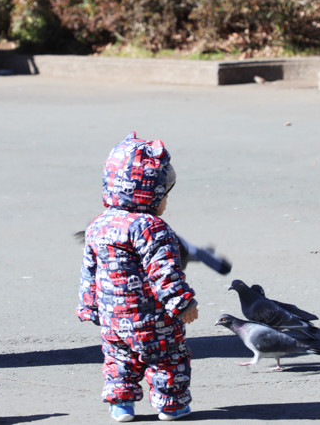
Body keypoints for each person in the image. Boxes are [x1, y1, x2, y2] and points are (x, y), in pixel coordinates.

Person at [77, 132, 198, 422]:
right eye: (164, 195)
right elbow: (164, 272)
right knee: (169, 359)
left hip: (113, 319)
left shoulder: (98, 225)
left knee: (119, 361)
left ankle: (121, 407)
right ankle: (172, 405)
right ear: (151, 194)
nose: (166, 202)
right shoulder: (152, 227)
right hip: (153, 320)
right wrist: (182, 303)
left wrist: (89, 305)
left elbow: (90, 270)